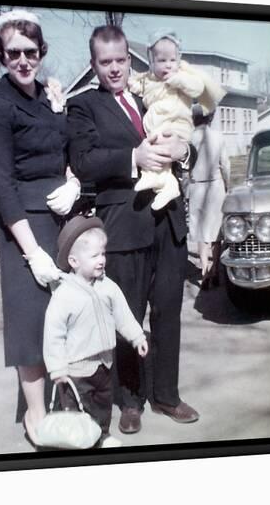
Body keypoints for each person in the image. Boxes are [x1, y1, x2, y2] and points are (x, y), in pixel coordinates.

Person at [67, 25, 199, 435]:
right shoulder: (83, 106)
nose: (114, 69)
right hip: (124, 224)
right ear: (94, 65)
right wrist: (133, 155)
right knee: (126, 317)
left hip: (168, 220)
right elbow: (84, 160)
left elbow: (182, 132)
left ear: (130, 59)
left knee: (168, 313)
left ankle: (166, 395)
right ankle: (130, 400)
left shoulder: (152, 93)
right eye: (105, 62)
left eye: (120, 60)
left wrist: (185, 151)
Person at [0, 9, 81, 446]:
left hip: (61, 219)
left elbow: (65, 147)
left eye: (30, 51)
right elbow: (1, 185)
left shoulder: (49, 96)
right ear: (2, 55)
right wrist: (32, 252)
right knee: (31, 322)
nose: (23, 59)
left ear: (41, 53)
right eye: (13, 52)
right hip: (24, 227)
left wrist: (74, 180)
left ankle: (63, 402)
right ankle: (35, 414)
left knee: (65, 318)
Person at [43, 216, 148, 448]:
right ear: (74, 261)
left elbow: (123, 314)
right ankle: (79, 444)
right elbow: (53, 334)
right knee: (79, 410)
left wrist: (137, 336)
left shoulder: (108, 286)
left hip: (104, 364)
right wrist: (57, 367)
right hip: (76, 369)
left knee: (102, 403)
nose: (102, 260)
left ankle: (100, 436)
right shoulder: (64, 295)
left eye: (103, 254)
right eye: (94, 256)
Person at [128, 30, 226, 210]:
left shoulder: (181, 76)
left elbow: (197, 88)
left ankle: (159, 179)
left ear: (178, 60)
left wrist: (178, 79)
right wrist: (131, 84)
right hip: (157, 125)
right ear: (152, 62)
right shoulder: (149, 79)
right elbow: (139, 86)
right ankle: (166, 185)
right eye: (162, 61)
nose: (167, 66)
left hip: (176, 125)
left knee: (159, 148)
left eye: (172, 60)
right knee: (155, 151)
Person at [188, 105, 230, 289]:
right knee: (215, 233)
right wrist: (228, 186)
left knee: (201, 233)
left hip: (196, 187)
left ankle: (204, 271)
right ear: (210, 118)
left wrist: (186, 191)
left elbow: (185, 169)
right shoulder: (218, 137)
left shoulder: (188, 138)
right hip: (215, 187)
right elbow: (226, 166)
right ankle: (215, 272)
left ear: (194, 118)